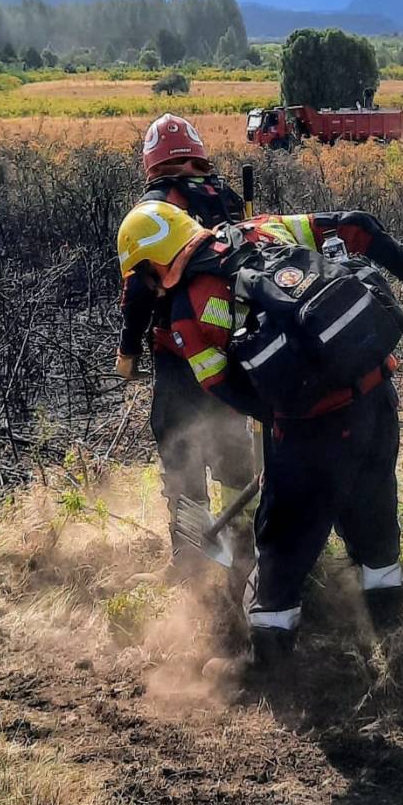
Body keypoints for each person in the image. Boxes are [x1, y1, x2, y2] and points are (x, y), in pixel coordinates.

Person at [115, 200, 403, 665]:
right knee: (376, 524)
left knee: (281, 551)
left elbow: (225, 389)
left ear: (153, 264)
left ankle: (269, 670)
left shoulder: (189, 310)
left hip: (312, 430)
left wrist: (284, 443)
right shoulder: (264, 229)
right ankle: (400, 644)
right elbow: (358, 225)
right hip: (378, 397)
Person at [114, 115, 253, 566]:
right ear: (197, 154)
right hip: (234, 348)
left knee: (181, 451)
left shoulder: (154, 210)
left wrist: (127, 353)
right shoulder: (227, 197)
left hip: (179, 354)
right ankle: (248, 544)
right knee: (235, 450)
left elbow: (138, 289)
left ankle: (195, 561)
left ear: (150, 163)